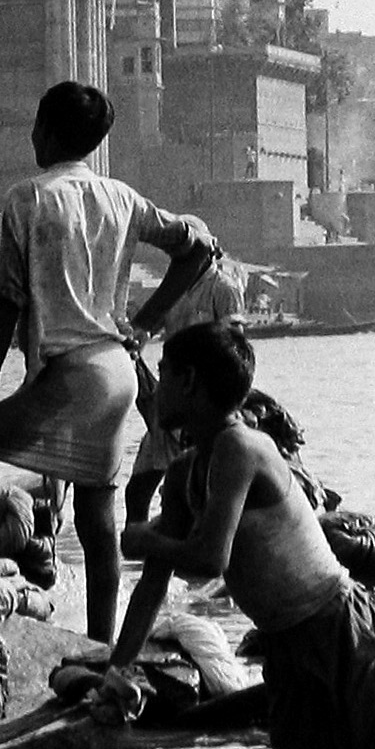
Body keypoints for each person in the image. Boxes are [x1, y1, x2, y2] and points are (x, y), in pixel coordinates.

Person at [0, 82, 214, 642]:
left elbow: (7, 301)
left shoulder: (28, 198)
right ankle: (102, 645)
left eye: (36, 126)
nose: (31, 136)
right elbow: (198, 247)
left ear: (47, 132)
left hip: (71, 373)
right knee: (97, 517)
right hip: (117, 372)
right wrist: (145, 322)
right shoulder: (121, 197)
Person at [108, 321, 375, 749]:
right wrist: (116, 671)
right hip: (284, 645)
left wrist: (146, 538)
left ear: (189, 382)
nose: (154, 389)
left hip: (337, 626)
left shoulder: (242, 447)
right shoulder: (186, 471)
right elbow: (151, 588)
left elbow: (210, 558)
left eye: (162, 374)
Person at [126, 216, 246, 522]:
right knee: (137, 491)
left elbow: (235, 351)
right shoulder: (174, 289)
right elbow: (148, 328)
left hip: (202, 402)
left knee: (191, 493)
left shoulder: (223, 288)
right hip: (172, 398)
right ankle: (137, 543)